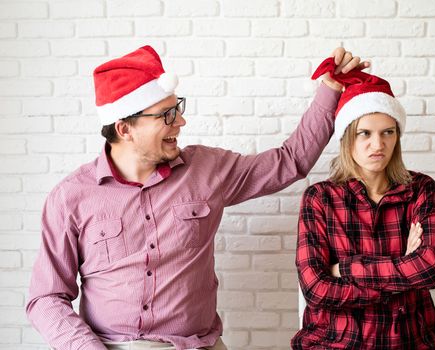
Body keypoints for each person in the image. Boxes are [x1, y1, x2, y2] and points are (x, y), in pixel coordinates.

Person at [26, 46, 368, 350]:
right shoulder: (71, 197)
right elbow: (47, 298)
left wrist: (331, 89)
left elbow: (288, 162)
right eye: (166, 115)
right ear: (124, 129)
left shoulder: (206, 169)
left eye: (177, 109)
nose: (181, 121)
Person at [291, 57, 435, 349]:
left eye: (387, 132)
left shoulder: (420, 189)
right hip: (336, 342)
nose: (378, 145)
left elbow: (430, 269)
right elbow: (315, 288)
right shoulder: (320, 198)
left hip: (410, 341)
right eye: (365, 133)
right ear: (347, 138)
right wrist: (402, 268)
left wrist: (344, 269)